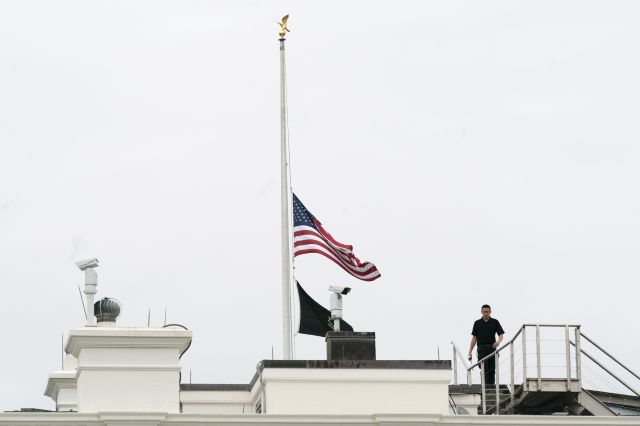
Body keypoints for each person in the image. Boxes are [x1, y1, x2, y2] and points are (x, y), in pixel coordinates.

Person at [467, 304, 505, 385]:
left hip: (492, 348)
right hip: (481, 349)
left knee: (492, 369)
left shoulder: (495, 322)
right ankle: (485, 386)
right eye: (484, 312)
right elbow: (474, 338)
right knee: (484, 368)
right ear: (481, 312)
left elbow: (501, 335)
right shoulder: (477, 323)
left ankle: (491, 387)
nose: (486, 313)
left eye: (487, 312)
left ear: (490, 312)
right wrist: (470, 352)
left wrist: (498, 342)